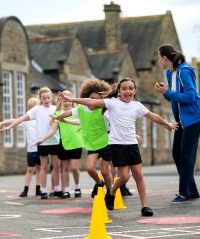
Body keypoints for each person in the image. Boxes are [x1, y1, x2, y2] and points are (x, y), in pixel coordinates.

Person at [58, 78, 178, 216]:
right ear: (119, 92)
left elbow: (152, 116)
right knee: (124, 177)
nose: (127, 91)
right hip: (117, 145)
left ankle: (145, 206)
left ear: (135, 91)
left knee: (138, 175)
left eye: (130, 88)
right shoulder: (112, 103)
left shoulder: (137, 105)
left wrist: (167, 124)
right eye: (124, 89)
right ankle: (112, 191)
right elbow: (91, 101)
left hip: (132, 144)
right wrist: (71, 99)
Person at [155, 44, 200, 203]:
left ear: (164, 58)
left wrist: (167, 92)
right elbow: (174, 97)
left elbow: (190, 97)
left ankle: (184, 193)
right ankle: (192, 191)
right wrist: (165, 92)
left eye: (159, 58)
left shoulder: (184, 71)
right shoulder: (169, 73)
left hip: (194, 118)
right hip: (181, 119)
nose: (159, 62)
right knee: (177, 153)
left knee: (186, 155)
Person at [0, 87, 61, 200]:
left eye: (48, 97)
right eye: (44, 98)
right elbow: (21, 119)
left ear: (51, 97)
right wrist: (8, 126)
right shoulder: (37, 110)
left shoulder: (56, 109)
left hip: (54, 141)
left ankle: (58, 189)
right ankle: (43, 191)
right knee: (43, 167)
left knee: (56, 166)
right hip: (42, 143)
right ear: (40, 98)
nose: (46, 100)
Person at [54, 79, 113, 199]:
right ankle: (99, 183)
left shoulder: (104, 111)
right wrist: (57, 117)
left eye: (97, 98)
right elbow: (68, 113)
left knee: (105, 171)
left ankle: (110, 192)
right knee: (89, 168)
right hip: (92, 144)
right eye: (91, 97)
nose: (93, 101)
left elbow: (116, 124)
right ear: (86, 97)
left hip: (105, 142)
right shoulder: (81, 109)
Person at [36, 90, 83, 199]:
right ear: (61, 102)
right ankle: (66, 190)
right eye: (64, 101)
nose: (66, 103)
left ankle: (77, 187)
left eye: (68, 100)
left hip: (76, 144)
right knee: (64, 168)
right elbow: (52, 130)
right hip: (63, 144)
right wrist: (43, 139)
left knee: (74, 168)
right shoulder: (57, 114)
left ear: (72, 100)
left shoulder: (78, 112)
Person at [17, 97, 41, 197]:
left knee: (40, 169)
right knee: (30, 170)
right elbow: (17, 121)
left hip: (41, 148)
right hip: (31, 149)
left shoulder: (41, 119)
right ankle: (25, 190)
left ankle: (38, 189)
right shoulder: (26, 121)